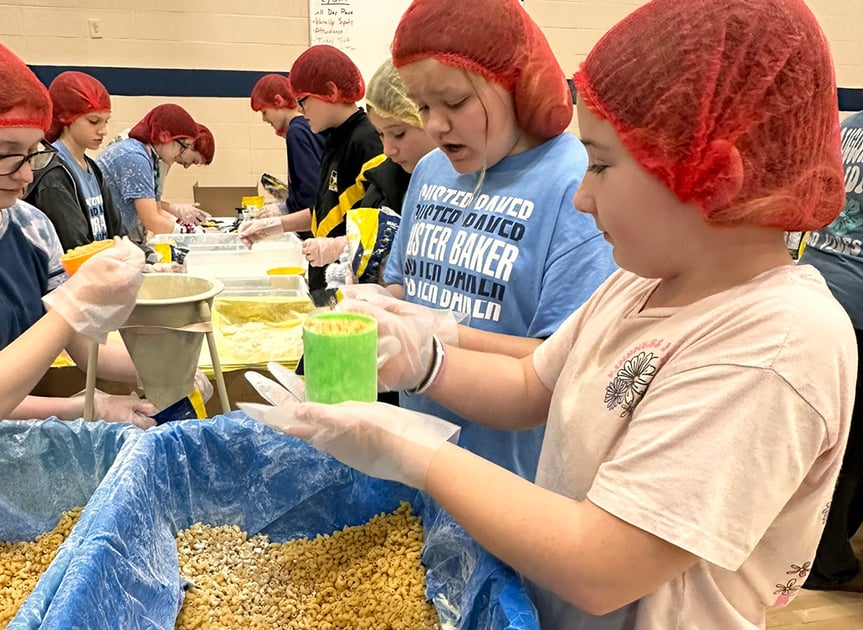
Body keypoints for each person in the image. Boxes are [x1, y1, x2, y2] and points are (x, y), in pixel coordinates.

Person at [245, 0, 856, 627]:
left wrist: (414, 455)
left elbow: (601, 564)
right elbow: (533, 382)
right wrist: (424, 361)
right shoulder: (643, 283)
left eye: (600, 164)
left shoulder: (775, 344)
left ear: (711, 176)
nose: (583, 196)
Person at [378, 0, 616, 479]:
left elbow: (565, 365)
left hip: (513, 483)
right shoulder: (430, 170)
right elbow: (405, 284)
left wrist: (433, 339)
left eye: (456, 103)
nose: (435, 126)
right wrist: (375, 313)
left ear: (519, 86)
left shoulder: (573, 184)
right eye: (422, 106)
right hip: (420, 464)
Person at [0, 43, 154, 426]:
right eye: (7, 153)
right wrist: (81, 407)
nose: (26, 175)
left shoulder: (30, 227)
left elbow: (83, 349)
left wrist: (162, 368)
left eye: (32, 153)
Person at [239, 45, 382, 293]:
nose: (300, 110)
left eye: (303, 101)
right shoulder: (332, 137)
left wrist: (339, 246)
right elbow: (327, 211)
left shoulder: (366, 141)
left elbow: (381, 224)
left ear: (330, 92)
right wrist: (276, 226)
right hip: (324, 278)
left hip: (349, 284)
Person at [798, 110, 863, 592]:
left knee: (824, 437)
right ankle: (823, 561)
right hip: (854, 309)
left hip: (816, 292)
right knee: (850, 451)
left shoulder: (845, 127)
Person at [304, 57, 438, 286]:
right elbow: (371, 232)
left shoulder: (446, 182)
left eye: (398, 133)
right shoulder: (386, 177)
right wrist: (346, 250)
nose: (387, 149)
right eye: (380, 135)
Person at [23, 71, 126, 251]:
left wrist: (147, 258)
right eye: (94, 121)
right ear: (65, 118)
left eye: (106, 122)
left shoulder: (92, 167)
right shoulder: (53, 176)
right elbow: (75, 248)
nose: (103, 131)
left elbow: (117, 231)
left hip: (102, 270)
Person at [96, 103, 199, 244]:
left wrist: (189, 229)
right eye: (184, 146)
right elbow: (151, 220)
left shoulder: (151, 157)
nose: (184, 153)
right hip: (104, 241)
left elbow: (158, 210)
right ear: (164, 137)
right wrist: (191, 236)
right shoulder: (134, 156)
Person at [250, 73, 324, 238]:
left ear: (278, 101)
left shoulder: (296, 131)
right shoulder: (306, 126)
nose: (264, 119)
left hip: (312, 229)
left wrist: (284, 209)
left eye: (264, 111)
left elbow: (311, 190)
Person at [160, 122, 216, 227]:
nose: (186, 166)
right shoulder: (137, 154)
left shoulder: (165, 160)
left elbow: (152, 200)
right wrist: (174, 210)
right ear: (189, 144)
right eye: (194, 160)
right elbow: (141, 203)